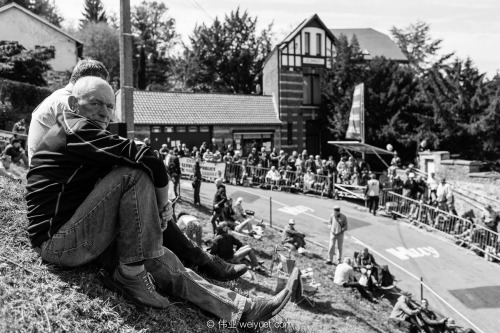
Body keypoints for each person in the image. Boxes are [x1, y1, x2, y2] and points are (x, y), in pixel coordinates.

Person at [26, 77, 291, 323]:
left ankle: (241, 308)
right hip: (59, 243)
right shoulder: (73, 127)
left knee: (163, 259)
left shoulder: (85, 138)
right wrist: (165, 205)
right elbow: (146, 156)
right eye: (95, 103)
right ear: (73, 104)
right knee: (133, 172)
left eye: (109, 106)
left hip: (78, 235)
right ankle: (131, 275)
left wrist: (153, 216)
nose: (105, 113)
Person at [27, 59, 109, 163]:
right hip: (55, 175)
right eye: (102, 86)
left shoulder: (58, 98)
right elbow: (96, 140)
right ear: (90, 81)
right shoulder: (69, 102)